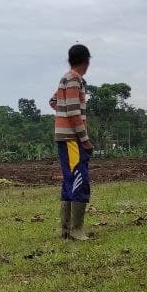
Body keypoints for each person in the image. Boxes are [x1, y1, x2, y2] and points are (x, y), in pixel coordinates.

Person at [54, 44, 94, 240]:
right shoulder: (73, 79)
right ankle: (76, 230)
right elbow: (73, 112)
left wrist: (62, 112)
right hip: (72, 139)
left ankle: (66, 229)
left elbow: (54, 101)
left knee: (69, 180)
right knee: (79, 179)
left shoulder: (66, 78)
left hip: (66, 137)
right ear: (86, 61)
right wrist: (85, 139)